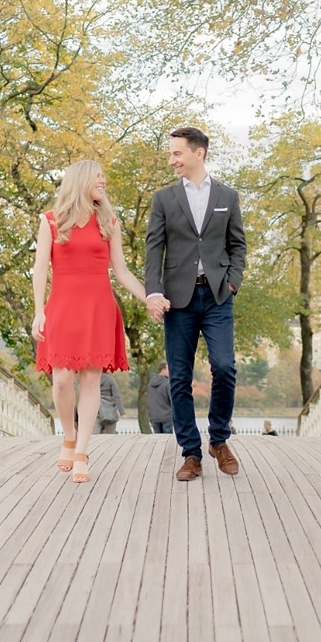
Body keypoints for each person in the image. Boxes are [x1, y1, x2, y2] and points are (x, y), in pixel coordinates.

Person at [32, 160, 151, 483]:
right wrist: (38, 310)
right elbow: (40, 269)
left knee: (90, 381)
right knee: (61, 380)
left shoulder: (109, 222)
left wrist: (149, 297)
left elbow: (122, 272)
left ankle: (82, 451)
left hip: (98, 307)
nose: (103, 181)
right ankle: (68, 436)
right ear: (81, 180)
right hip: (62, 307)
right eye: (98, 177)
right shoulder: (51, 221)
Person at [144, 126, 246, 481]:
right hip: (178, 299)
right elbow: (153, 249)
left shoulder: (227, 197)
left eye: (177, 153)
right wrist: (153, 292)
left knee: (224, 367)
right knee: (180, 378)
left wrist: (233, 280)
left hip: (218, 295)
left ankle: (219, 440)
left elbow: (238, 245)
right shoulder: (164, 199)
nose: (172, 159)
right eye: (171, 154)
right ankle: (191, 453)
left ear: (197, 153)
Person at [145, 363, 173, 434]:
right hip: (167, 416)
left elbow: (149, 401)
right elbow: (172, 399)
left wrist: (150, 417)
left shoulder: (150, 384)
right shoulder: (167, 383)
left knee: (157, 439)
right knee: (167, 439)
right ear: (163, 370)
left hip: (154, 416)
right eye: (168, 369)